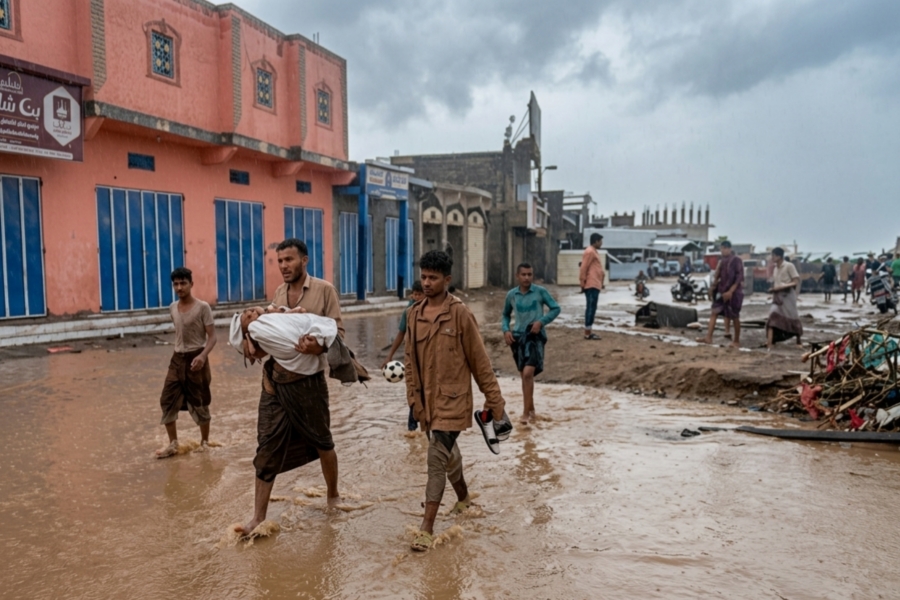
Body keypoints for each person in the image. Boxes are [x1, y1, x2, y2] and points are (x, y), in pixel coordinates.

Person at [237, 238, 345, 536]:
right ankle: (258, 517)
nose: (283, 266)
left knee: (323, 441)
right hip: (274, 381)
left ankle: (332, 495)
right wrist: (251, 344)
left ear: (305, 260)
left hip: (308, 384)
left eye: (289, 260)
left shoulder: (325, 291)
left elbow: (339, 334)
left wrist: (317, 347)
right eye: (279, 260)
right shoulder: (279, 294)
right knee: (266, 445)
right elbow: (271, 339)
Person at [405, 251, 507, 552]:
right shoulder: (414, 314)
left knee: (435, 459)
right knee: (449, 457)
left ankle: (426, 528)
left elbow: (480, 361)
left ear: (447, 280)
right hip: (427, 405)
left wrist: (495, 402)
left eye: (433, 278)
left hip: (453, 401)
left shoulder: (460, 314)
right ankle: (463, 499)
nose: (426, 282)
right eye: (423, 276)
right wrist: (414, 400)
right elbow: (410, 362)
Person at [155, 267, 217, 458]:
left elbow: (213, 337)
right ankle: (173, 444)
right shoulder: (172, 307)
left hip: (197, 358)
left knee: (199, 402)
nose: (179, 287)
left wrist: (202, 356)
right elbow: (179, 333)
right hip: (177, 359)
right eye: (176, 284)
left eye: (183, 283)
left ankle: (204, 443)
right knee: (167, 399)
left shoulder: (202, 307)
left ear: (191, 284)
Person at [501, 263, 560, 424]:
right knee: (524, 377)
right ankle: (532, 410)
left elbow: (555, 308)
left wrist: (541, 322)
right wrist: (506, 330)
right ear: (517, 276)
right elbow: (505, 314)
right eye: (524, 274)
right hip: (517, 338)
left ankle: (525, 413)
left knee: (528, 374)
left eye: (530, 274)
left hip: (535, 337)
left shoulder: (540, 292)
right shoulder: (512, 295)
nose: (527, 278)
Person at [382, 281, 426, 431]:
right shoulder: (409, 311)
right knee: (413, 392)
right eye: (415, 294)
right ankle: (412, 429)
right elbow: (401, 333)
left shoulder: (433, 309)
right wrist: (390, 356)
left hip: (428, 357)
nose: (417, 297)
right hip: (413, 357)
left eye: (420, 294)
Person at [697, 241, 744, 348]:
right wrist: (712, 287)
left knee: (734, 316)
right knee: (714, 312)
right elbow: (717, 276)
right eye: (722, 248)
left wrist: (731, 291)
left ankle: (736, 341)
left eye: (725, 248)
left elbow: (739, 278)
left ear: (730, 249)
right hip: (722, 291)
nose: (723, 250)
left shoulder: (736, 260)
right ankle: (708, 337)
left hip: (734, 293)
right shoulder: (722, 261)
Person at [766, 247, 803, 349]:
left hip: (788, 296)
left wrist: (782, 286)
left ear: (779, 256)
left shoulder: (789, 266)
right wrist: (773, 290)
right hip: (777, 297)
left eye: (773, 255)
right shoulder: (775, 269)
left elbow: (795, 281)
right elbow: (776, 283)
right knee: (772, 317)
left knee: (793, 317)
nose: (772, 257)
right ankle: (769, 343)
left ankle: (798, 340)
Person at [579, 233, 605, 340]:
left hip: (595, 284)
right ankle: (587, 333)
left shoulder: (593, 251)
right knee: (590, 307)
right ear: (596, 241)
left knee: (592, 307)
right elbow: (583, 268)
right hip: (591, 284)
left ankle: (588, 331)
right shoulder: (590, 251)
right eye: (600, 241)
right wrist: (582, 283)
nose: (601, 243)